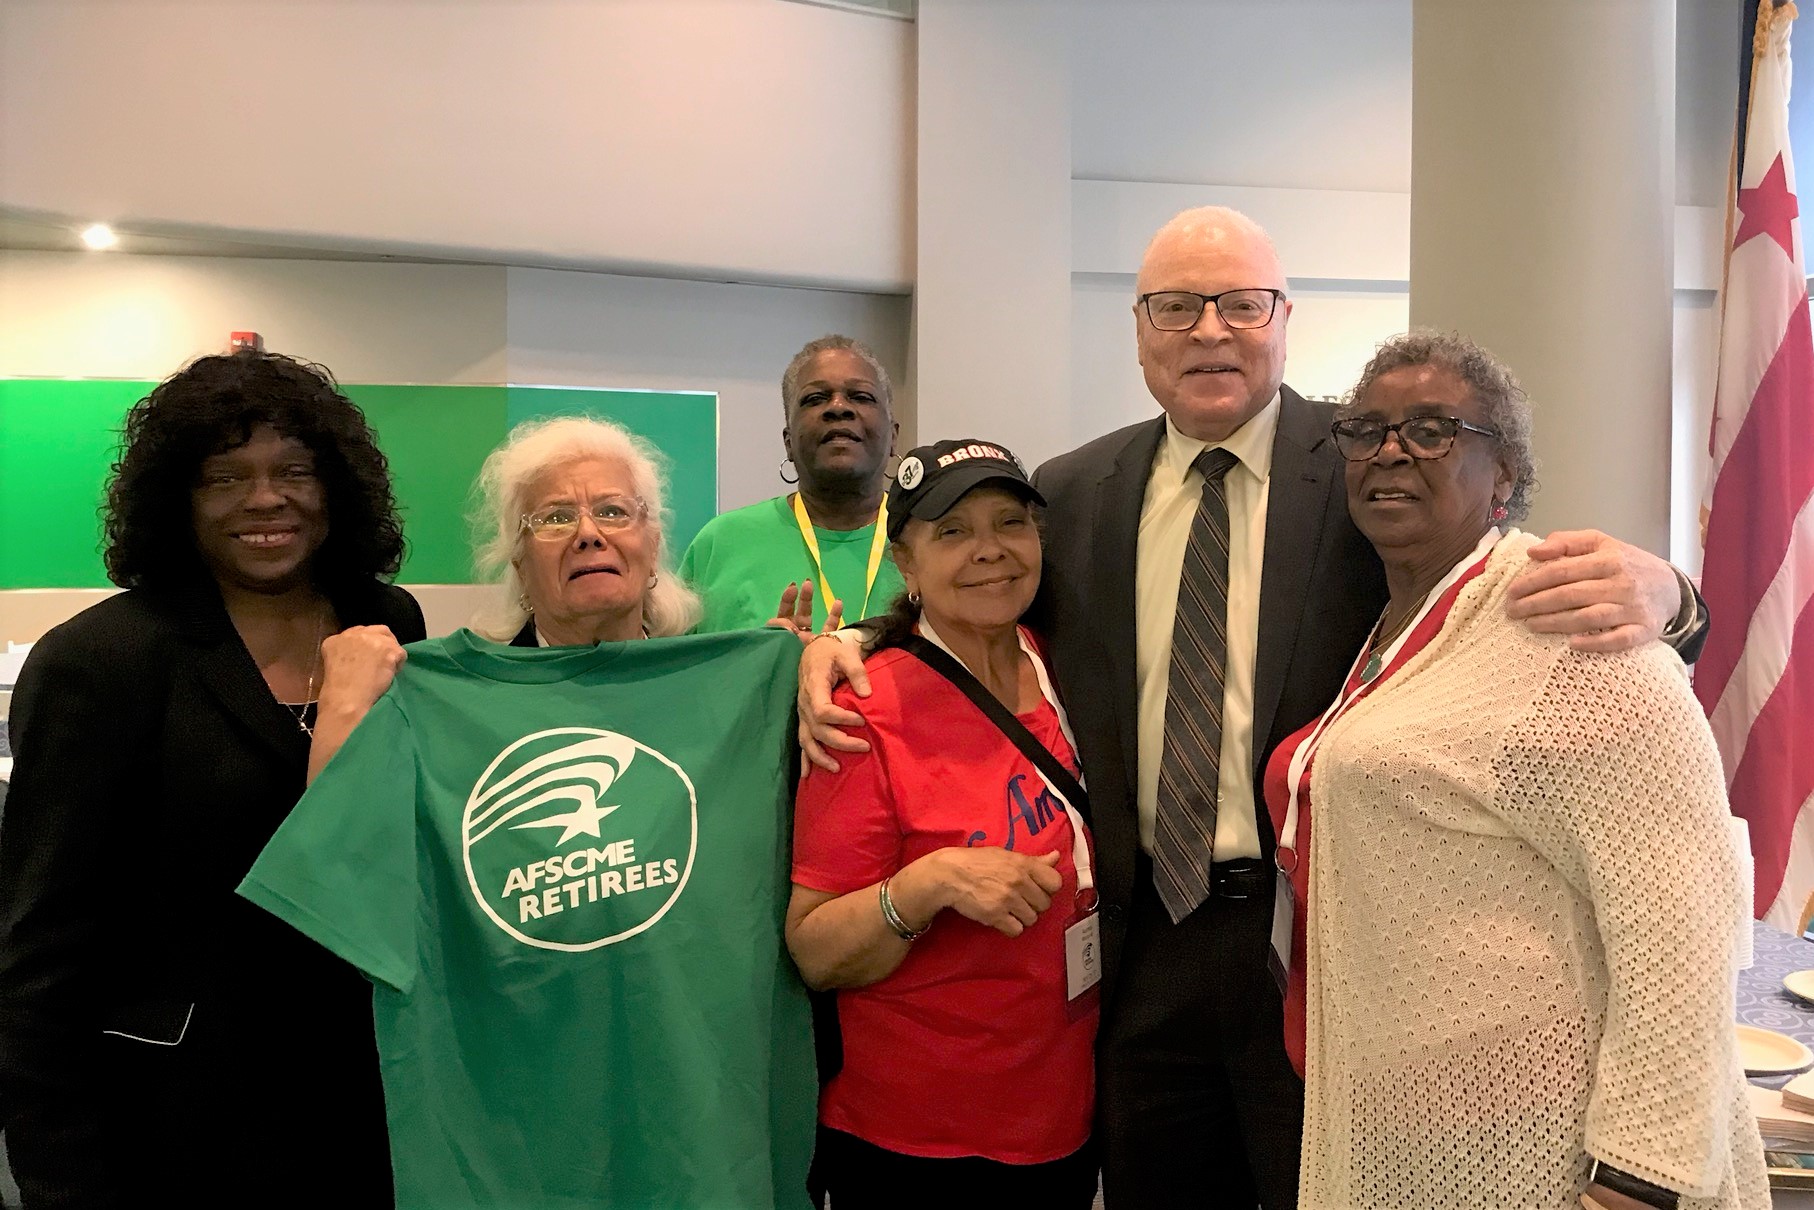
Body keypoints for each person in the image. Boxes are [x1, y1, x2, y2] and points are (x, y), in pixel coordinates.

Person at [800, 206, 1708, 1209]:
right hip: (1138, 946)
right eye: (1174, 307)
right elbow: (980, 610)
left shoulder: (1370, 460)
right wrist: (853, 644)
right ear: (1138, 330)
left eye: (1239, 304)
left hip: (1323, 942)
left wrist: (1673, 595)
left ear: (1281, 318)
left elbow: (1502, 577)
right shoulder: (1073, 491)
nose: (1207, 330)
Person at [247, 416, 818, 1209]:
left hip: (703, 1132)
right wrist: (342, 705)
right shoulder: (434, 701)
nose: (588, 534)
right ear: (516, 556)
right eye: (553, 518)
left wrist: (819, 660)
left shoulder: (756, 682)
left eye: (614, 511)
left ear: (655, 543)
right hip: (510, 1149)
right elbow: (340, 872)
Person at [1266, 329, 1767, 1210]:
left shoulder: (1570, 628)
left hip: (1544, 1144)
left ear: (1504, 474)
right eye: (1368, 430)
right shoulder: (1398, 622)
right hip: (1411, 1125)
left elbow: (1680, 926)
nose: (1391, 450)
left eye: (1432, 430)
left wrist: (1640, 1178)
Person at [0, 350, 424, 1204]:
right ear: (178, 501)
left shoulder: (388, 622)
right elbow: (39, 957)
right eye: (223, 477)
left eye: (294, 470)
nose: (265, 499)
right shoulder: (100, 661)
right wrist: (63, 1182)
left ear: (336, 486)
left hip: (366, 1100)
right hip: (175, 1126)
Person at [787, 439, 1099, 1206]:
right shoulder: (862, 706)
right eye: (953, 532)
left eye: (1009, 524)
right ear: (906, 562)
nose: (989, 551)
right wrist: (926, 885)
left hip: (1068, 1111)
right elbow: (814, 950)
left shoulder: (1065, 663)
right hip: (920, 1138)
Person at [680, 334, 904, 635]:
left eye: (861, 397)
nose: (838, 407)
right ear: (788, 443)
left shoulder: (933, 542)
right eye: (815, 399)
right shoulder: (720, 543)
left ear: (894, 436)